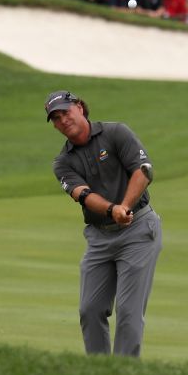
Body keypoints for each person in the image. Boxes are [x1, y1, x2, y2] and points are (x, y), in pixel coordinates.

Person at [47, 90, 163, 358]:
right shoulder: (63, 163)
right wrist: (113, 210)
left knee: (128, 312)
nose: (62, 120)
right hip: (99, 237)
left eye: (66, 112)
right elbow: (83, 195)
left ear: (79, 107)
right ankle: (100, 371)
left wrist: (125, 206)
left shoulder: (116, 133)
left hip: (138, 231)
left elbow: (143, 171)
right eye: (56, 118)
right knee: (90, 309)